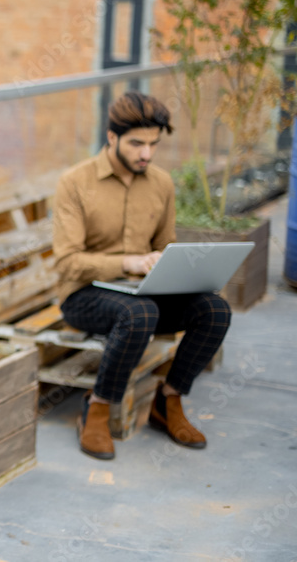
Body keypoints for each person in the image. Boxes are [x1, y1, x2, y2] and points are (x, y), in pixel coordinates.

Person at [53, 90, 232, 460]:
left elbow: (166, 246)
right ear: (112, 137)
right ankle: (97, 408)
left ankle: (168, 402)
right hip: (84, 295)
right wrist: (127, 263)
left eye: (153, 144)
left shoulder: (161, 183)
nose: (146, 154)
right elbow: (67, 262)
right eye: (136, 144)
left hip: (145, 293)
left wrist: (185, 271)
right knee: (139, 314)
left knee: (214, 310)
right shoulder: (74, 182)